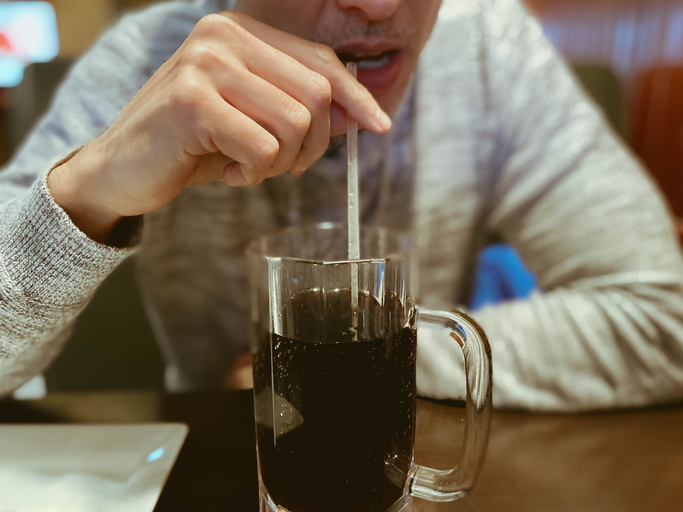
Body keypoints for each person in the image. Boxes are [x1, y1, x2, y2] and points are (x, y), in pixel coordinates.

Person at [1, 0, 682, 411]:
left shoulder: (489, 51)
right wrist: (87, 192)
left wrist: (346, 367)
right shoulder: (140, 64)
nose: (380, 6)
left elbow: (663, 320)